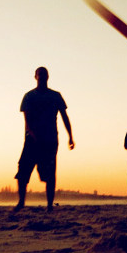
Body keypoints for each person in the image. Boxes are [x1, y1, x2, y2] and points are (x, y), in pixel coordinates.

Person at [14, 66, 74, 212]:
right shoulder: (29, 96)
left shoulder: (55, 96)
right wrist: (34, 135)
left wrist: (70, 136)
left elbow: (64, 116)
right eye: (39, 74)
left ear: (48, 77)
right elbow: (27, 120)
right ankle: (21, 202)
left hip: (50, 140)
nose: (41, 76)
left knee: (50, 174)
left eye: (44, 74)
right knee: (23, 172)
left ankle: (49, 205)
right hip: (32, 141)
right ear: (35, 77)